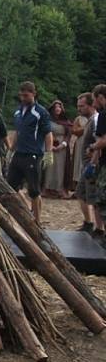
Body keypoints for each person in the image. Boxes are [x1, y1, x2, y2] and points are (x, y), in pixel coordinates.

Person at [7, 81, 53, 224]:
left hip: (32, 154)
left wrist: (48, 152)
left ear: (33, 94)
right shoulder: (18, 111)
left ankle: (38, 221)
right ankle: (26, 209)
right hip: (19, 153)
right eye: (21, 95)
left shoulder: (40, 112)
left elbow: (48, 133)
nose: (23, 98)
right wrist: (11, 149)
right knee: (11, 186)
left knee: (34, 190)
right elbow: (17, 132)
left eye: (26, 95)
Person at [74, 93, 100, 235]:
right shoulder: (89, 120)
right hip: (86, 163)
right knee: (81, 193)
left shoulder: (95, 120)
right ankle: (89, 223)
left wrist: (93, 160)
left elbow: (100, 141)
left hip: (92, 164)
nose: (79, 109)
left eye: (82, 106)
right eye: (78, 106)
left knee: (94, 198)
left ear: (90, 105)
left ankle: (98, 228)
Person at [42, 100, 73, 199]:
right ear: (52, 109)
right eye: (55, 107)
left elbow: (68, 135)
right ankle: (46, 189)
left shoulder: (66, 122)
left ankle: (59, 189)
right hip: (48, 146)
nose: (57, 109)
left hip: (61, 148)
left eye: (59, 107)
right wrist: (50, 144)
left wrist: (62, 145)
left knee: (60, 168)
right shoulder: (47, 120)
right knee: (48, 166)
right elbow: (43, 132)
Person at [88, 84, 106, 248]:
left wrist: (92, 147)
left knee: (101, 200)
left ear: (101, 97)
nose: (94, 103)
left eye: (95, 99)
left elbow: (104, 141)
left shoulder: (103, 115)